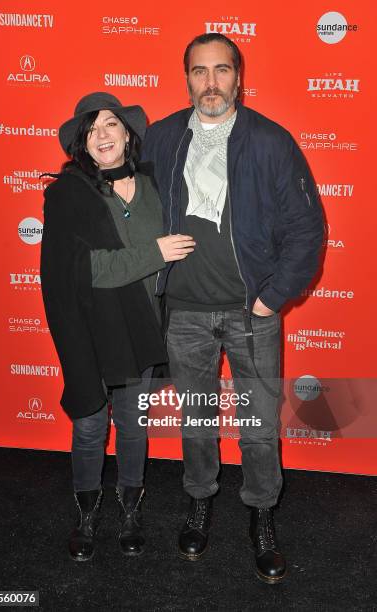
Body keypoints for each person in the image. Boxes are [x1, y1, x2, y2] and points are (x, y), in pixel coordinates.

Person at [141, 34, 324, 583]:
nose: (212, 83)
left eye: (222, 70)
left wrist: (272, 298)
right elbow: (130, 207)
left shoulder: (271, 141)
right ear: (187, 78)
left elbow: (307, 230)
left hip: (252, 313)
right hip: (186, 312)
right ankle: (199, 501)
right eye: (200, 72)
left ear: (238, 78)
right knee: (196, 419)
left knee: (259, 427)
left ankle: (262, 514)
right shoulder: (161, 137)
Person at [40, 92, 194, 562]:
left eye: (110, 124)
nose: (102, 135)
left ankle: (130, 510)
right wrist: (155, 253)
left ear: (127, 133)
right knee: (90, 426)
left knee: (132, 424)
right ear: (83, 143)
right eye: (91, 129)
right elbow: (86, 271)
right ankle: (87, 515)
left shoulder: (156, 185)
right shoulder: (69, 194)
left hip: (141, 329)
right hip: (90, 331)